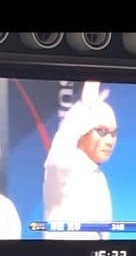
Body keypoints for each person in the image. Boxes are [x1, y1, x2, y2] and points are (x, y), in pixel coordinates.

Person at [43, 82, 116, 240]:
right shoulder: (65, 165)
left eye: (113, 133)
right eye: (102, 132)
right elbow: (66, 136)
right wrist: (85, 106)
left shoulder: (99, 178)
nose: (110, 141)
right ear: (82, 131)